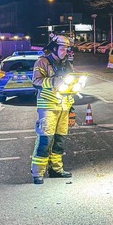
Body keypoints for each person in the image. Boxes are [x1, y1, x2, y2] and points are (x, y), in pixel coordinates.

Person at [30, 34, 76, 185]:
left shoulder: (67, 64)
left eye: (67, 49)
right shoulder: (42, 62)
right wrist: (54, 81)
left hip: (64, 106)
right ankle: (38, 173)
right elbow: (36, 81)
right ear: (54, 48)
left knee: (60, 141)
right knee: (45, 140)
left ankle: (56, 170)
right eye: (63, 48)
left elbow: (71, 86)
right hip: (48, 106)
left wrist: (72, 110)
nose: (65, 51)